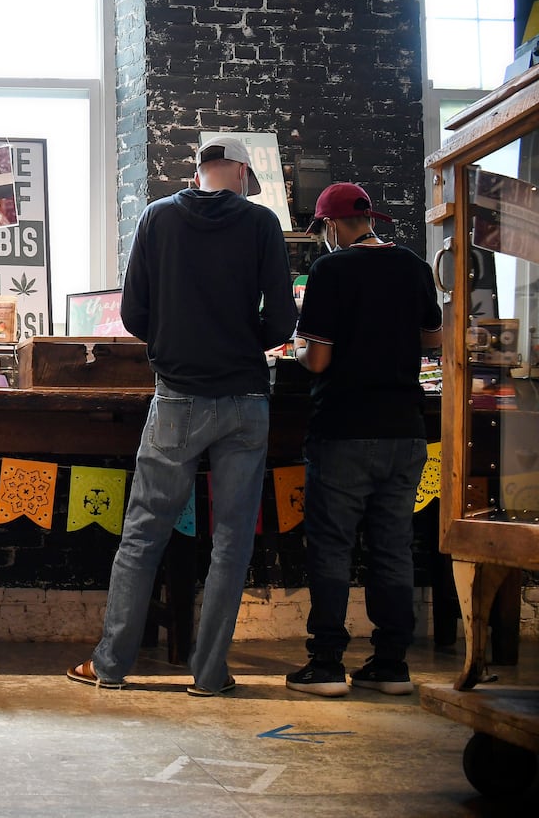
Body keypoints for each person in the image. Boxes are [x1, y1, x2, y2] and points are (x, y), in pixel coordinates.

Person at [68, 135, 297, 697]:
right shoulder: (262, 224)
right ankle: (210, 674)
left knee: (145, 534)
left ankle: (112, 666)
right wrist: (245, 344)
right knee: (232, 540)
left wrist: (174, 345)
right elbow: (283, 319)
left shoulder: (156, 219)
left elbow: (133, 312)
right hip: (245, 399)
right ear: (241, 172)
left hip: (176, 397)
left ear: (200, 171)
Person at [284, 182, 442, 697]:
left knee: (331, 546)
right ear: (369, 220)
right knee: (393, 546)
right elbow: (432, 341)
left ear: (330, 226)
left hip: (345, 427)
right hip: (405, 428)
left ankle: (327, 664)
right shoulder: (414, 266)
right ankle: (391, 663)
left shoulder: (331, 270)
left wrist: (299, 353)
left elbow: (320, 359)